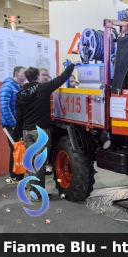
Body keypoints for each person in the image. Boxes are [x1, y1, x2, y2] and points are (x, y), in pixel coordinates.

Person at [13, 61, 81, 202]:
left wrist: (18, 133)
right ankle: (37, 195)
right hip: (41, 132)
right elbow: (61, 78)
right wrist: (72, 65)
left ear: (26, 77)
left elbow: (18, 116)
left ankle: (34, 192)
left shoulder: (20, 93)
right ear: (37, 77)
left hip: (27, 131)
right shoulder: (43, 88)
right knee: (40, 164)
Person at [0, 66, 27, 185]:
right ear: (16, 73)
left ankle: (15, 176)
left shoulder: (18, 87)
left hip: (17, 124)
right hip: (10, 125)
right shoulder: (7, 87)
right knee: (17, 149)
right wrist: (13, 124)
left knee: (15, 149)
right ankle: (17, 177)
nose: (25, 76)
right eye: (23, 73)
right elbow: (4, 107)